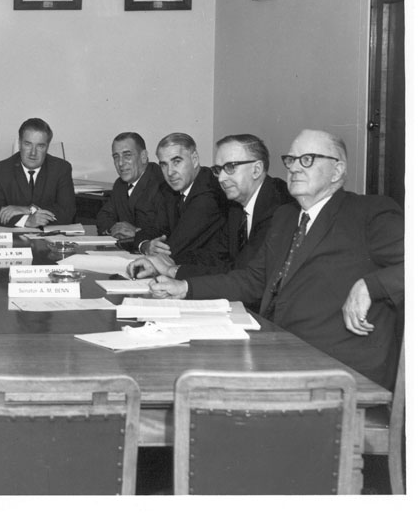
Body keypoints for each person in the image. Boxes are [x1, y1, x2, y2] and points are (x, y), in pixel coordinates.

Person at [151, 129, 404, 389]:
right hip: (277, 352)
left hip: (340, 373)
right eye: (291, 160)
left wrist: (370, 286)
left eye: (308, 159)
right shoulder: (285, 216)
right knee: (175, 373)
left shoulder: (368, 213)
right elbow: (252, 280)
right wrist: (185, 288)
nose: (294, 168)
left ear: (337, 171)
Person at [132, 133, 293, 285]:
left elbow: (243, 272)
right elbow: (215, 255)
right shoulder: (237, 207)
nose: (221, 178)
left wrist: (172, 270)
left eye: (230, 167)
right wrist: (162, 266)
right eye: (219, 169)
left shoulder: (277, 205)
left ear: (256, 169)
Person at [130, 132, 228, 276]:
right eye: (164, 165)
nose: (170, 172)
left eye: (177, 162)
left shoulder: (208, 193)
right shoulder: (171, 191)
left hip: (209, 277)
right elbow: (151, 229)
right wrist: (146, 245)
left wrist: (155, 251)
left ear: (194, 159)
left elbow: (173, 249)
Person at [0, 118, 75, 227]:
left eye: (40, 146)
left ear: (47, 147)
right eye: (28, 144)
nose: (33, 153)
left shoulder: (61, 169)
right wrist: (27, 221)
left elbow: (67, 214)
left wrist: (28, 210)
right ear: (19, 143)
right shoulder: (0, 171)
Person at [95, 131, 169, 246]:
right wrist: (114, 229)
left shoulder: (162, 183)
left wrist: (137, 232)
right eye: (116, 157)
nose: (120, 163)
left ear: (143, 156)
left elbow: (165, 230)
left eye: (127, 155)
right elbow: (103, 216)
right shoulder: (120, 185)